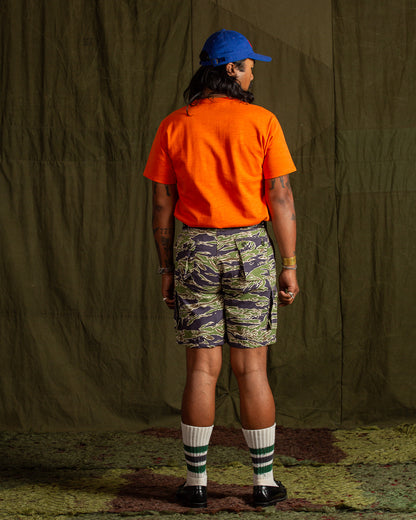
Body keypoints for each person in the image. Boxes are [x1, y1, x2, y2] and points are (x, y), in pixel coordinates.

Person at [143, 29, 299, 509]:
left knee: (201, 369)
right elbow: (281, 197)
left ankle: (196, 484)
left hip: (195, 249)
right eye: (249, 66)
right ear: (231, 69)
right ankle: (264, 483)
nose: (253, 74)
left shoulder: (174, 125)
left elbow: (162, 205)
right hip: (251, 249)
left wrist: (166, 268)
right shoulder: (262, 121)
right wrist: (289, 264)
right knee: (252, 369)